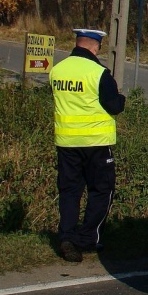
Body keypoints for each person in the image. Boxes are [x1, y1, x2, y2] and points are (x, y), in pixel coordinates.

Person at [50, 29, 126, 263]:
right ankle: (87, 238)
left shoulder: (57, 70)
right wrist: (121, 98)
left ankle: (67, 237)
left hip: (67, 142)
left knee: (70, 191)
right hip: (96, 143)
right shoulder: (99, 73)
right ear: (95, 47)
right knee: (102, 190)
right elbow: (114, 106)